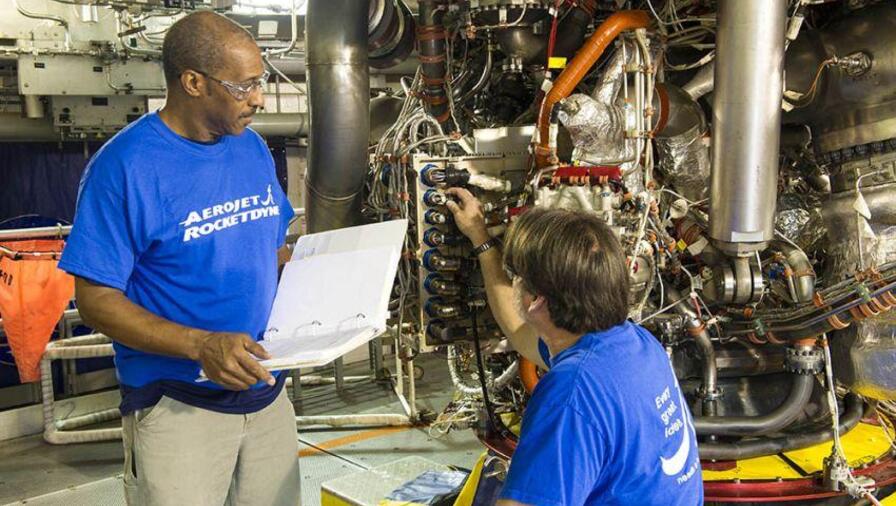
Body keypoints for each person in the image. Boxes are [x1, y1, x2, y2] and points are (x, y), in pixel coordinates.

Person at [58, 11, 300, 506]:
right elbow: (96, 299)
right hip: (176, 402)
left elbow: (273, 251)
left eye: (261, 82)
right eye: (245, 86)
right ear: (193, 82)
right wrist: (200, 345)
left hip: (266, 391)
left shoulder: (250, 148)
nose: (258, 98)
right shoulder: (125, 167)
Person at [444, 188, 703, 506]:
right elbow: (519, 331)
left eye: (517, 277)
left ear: (535, 300)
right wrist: (480, 239)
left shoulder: (571, 394)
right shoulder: (635, 343)